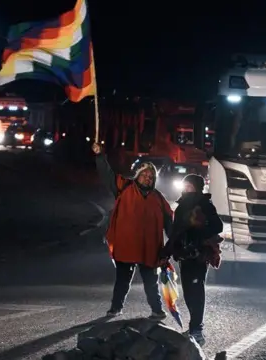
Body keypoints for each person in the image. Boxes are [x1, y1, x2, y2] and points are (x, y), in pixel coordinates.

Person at [92, 143, 173, 320]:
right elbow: (107, 175)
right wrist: (100, 156)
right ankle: (115, 308)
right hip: (126, 244)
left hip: (149, 248)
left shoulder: (158, 198)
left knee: (151, 282)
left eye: (151, 176)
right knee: (122, 280)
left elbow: (169, 222)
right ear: (137, 175)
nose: (147, 178)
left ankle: (157, 310)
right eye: (144, 174)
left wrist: (172, 245)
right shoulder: (124, 187)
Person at [159, 174, 223, 345]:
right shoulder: (181, 206)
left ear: (198, 188)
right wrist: (166, 252)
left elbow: (218, 226)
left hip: (200, 254)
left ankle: (197, 329)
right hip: (184, 254)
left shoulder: (205, 204)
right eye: (185, 186)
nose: (187, 189)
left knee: (197, 289)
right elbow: (175, 232)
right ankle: (194, 326)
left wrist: (199, 228)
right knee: (188, 291)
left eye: (191, 187)